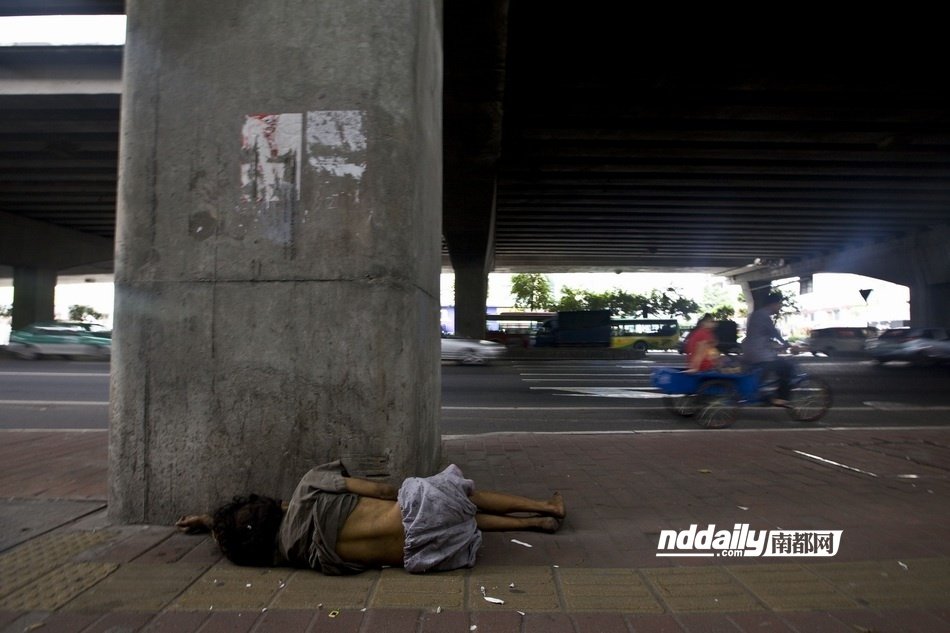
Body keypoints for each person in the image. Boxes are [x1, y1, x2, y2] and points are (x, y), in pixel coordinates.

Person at [175, 460, 565, 575]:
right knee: (461, 497)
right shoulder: (310, 487)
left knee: (459, 521)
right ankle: (547, 508)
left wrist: (212, 524)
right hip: (415, 511)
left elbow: (241, 537)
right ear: (271, 505)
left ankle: (531, 524)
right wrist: (408, 492)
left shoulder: (291, 555)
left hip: (424, 554)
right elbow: (382, 492)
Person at [743, 292, 793, 406]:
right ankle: (781, 398)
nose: (780, 307)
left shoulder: (756, 315)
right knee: (787, 368)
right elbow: (773, 332)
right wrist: (787, 344)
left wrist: (776, 346)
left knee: (759, 381)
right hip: (760, 355)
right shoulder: (764, 316)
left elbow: (761, 335)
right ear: (773, 304)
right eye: (779, 304)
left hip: (750, 352)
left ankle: (766, 397)